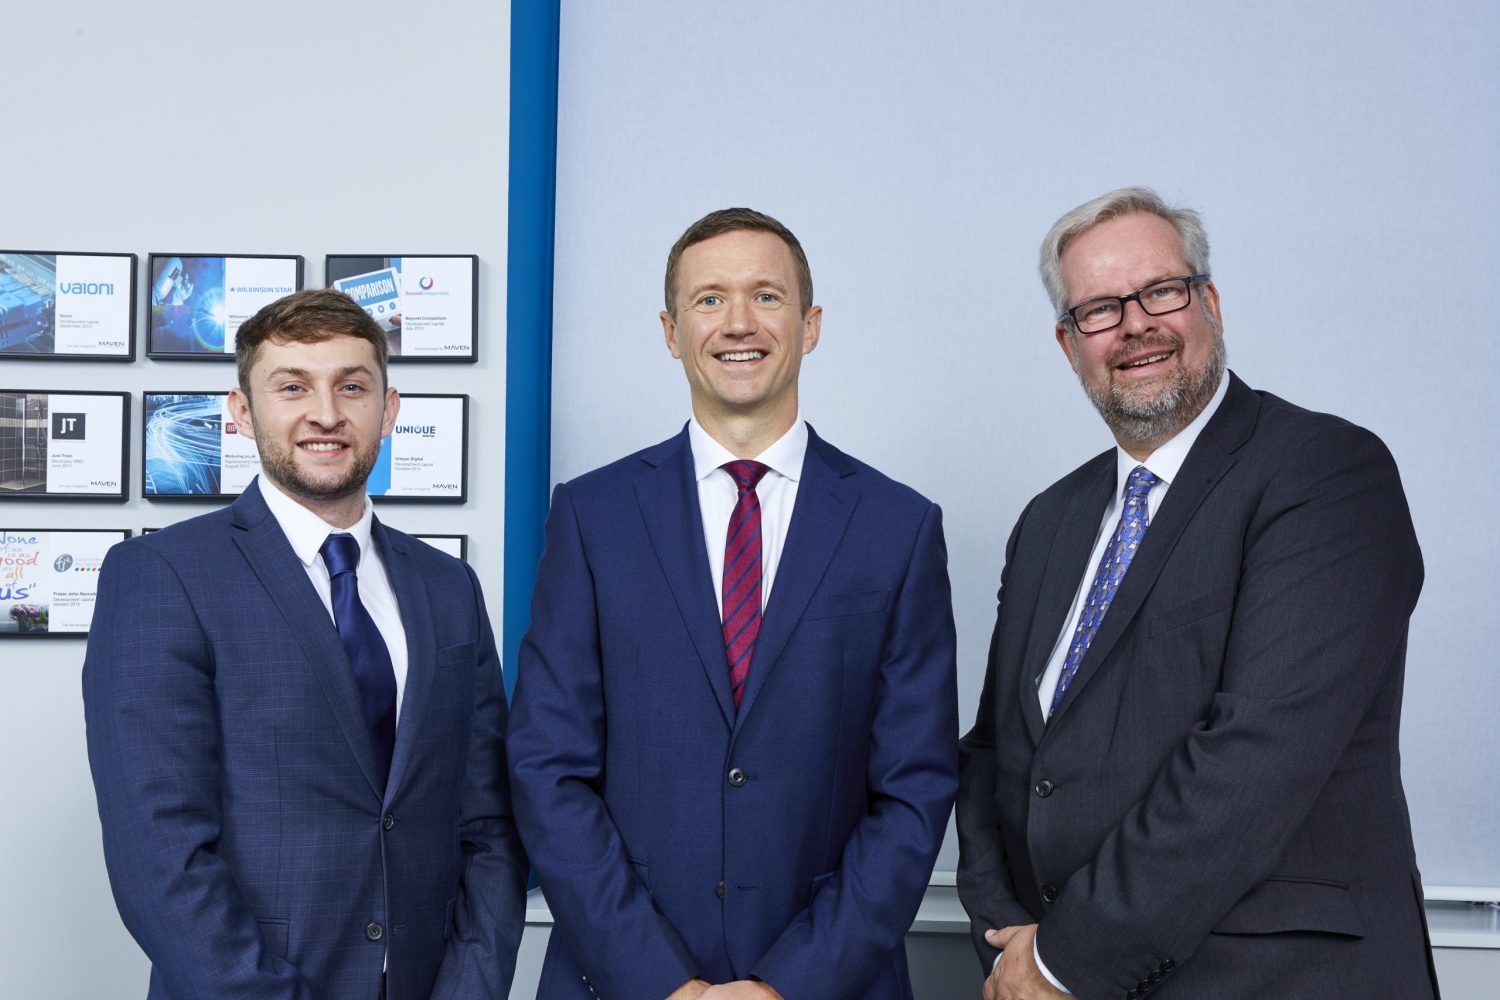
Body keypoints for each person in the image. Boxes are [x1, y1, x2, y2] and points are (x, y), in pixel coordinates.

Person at [955, 187, 1438, 999]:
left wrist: (1059, 961)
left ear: (1208, 302)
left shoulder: (1323, 473)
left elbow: (1254, 757)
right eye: (1100, 309)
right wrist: (1007, 942)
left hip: (1275, 978)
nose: (1136, 324)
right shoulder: (1050, 522)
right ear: (1068, 343)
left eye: (1161, 292)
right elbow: (994, 758)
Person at [506, 208, 958, 999]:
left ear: (811, 325)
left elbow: (914, 789)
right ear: (671, 331)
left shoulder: (899, 527)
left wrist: (788, 984)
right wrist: (663, 982)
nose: (738, 323)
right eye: (709, 300)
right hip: (620, 980)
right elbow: (549, 769)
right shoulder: (592, 517)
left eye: (767, 297)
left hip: (829, 980)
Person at [83, 289, 526, 999]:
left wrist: (469, 988)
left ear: (389, 409)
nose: (326, 413)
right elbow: (157, 849)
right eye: (292, 387)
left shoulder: (449, 588)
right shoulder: (162, 576)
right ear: (242, 411)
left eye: (352, 386)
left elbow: (489, 825)